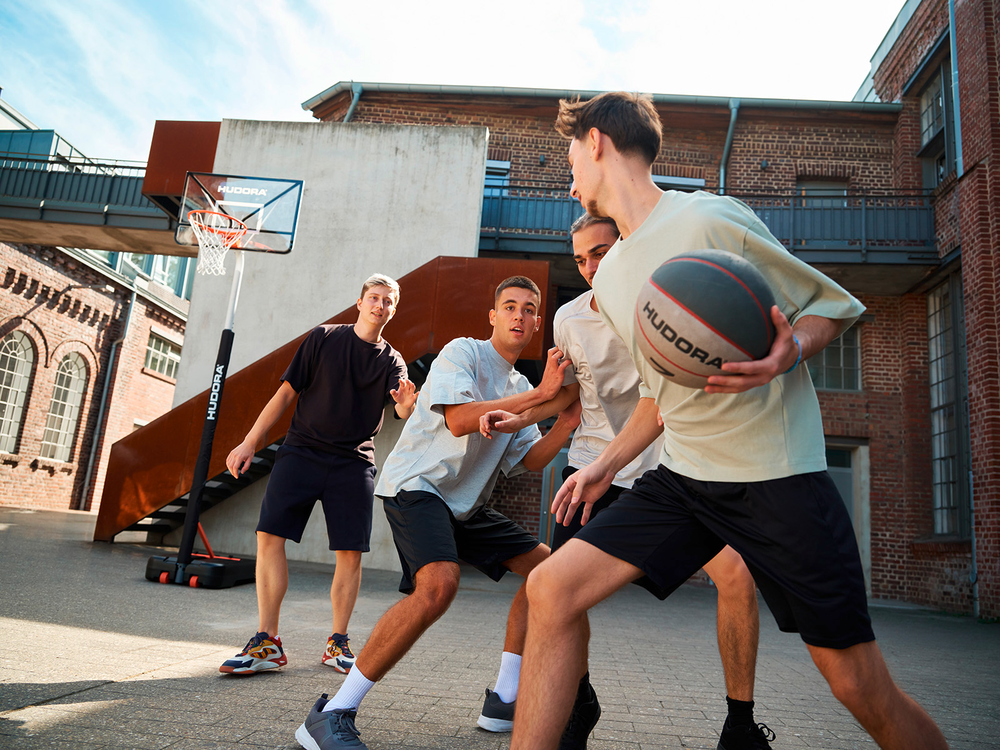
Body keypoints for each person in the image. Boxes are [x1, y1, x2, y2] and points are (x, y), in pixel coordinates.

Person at [510, 92, 949, 750]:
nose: (567, 168)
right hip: (684, 478)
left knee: (858, 684)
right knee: (551, 588)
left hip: (777, 479)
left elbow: (825, 306)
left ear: (596, 140)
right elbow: (665, 397)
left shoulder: (711, 220)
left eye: (570, 150)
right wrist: (603, 466)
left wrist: (788, 352)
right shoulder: (614, 277)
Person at [483, 212, 768, 748]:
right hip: (591, 466)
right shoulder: (568, 319)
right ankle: (576, 698)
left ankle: (741, 722)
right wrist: (521, 417)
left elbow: (661, 401)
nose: (592, 266)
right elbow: (574, 392)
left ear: (628, 245)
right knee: (558, 593)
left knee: (735, 576)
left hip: (668, 470)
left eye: (602, 251)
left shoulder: (666, 305)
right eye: (581, 258)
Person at [295, 276, 582, 750]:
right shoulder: (463, 352)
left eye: (529, 310)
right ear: (493, 316)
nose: (519, 315)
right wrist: (542, 397)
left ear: (536, 325)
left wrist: (565, 422)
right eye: (509, 306)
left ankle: (504, 698)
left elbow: (525, 461)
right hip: (417, 486)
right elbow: (460, 419)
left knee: (547, 573)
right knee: (439, 585)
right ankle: (333, 713)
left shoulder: (519, 384)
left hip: (464, 505)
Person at [219, 274, 418, 677]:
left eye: (389, 301)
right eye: (374, 298)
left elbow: (400, 411)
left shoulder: (392, 361)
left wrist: (407, 407)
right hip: (301, 451)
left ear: (393, 310)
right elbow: (286, 394)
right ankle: (267, 641)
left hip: (354, 462)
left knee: (350, 553)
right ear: (360, 302)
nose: (381, 305)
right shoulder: (323, 338)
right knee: (269, 536)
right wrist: (249, 442)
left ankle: (338, 643)